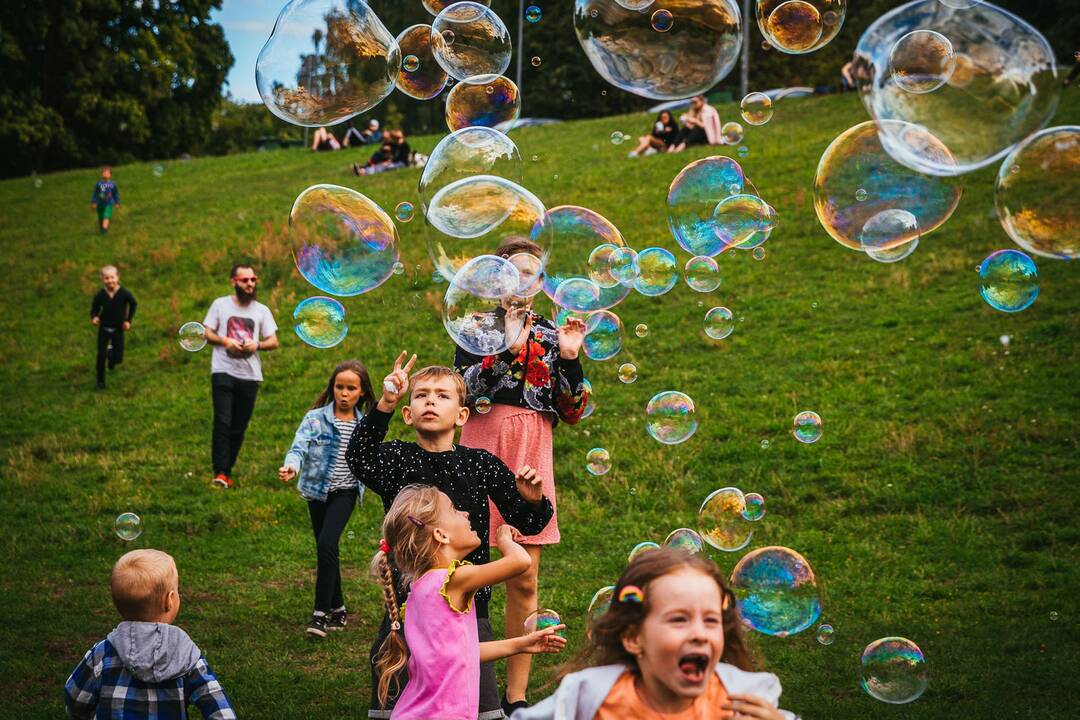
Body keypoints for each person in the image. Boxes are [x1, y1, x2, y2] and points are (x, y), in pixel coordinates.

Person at [345, 354, 556, 720]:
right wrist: (385, 404)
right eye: (422, 394)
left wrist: (532, 498)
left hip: (471, 608)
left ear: (462, 415)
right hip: (408, 606)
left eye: (442, 395)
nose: (430, 401)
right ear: (408, 415)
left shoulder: (480, 463)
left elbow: (527, 521)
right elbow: (359, 458)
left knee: (480, 705)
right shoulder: (396, 457)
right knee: (398, 698)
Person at [453, 238, 588, 714]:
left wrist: (570, 358)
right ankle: (463, 679)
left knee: (524, 579)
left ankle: (515, 698)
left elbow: (573, 411)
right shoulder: (475, 328)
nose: (524, 284)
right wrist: (503, 346)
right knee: (467, 572)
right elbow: (464, 392)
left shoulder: (555, 335)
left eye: (533, 275)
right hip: (480, 444)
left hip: (532, 449)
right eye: (515, 274)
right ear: (498, 278)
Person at [514, 548, 796, 719]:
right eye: (679, 619)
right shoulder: (590, 697)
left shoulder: (743, 702)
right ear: (634, 637)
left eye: (711, 620)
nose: (699, 633)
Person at [371, 485, 568, 718]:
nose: (465, 513)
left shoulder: (418, 589)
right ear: (440, 535)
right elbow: (520, 561)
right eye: (454, 510)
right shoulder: (453, 580)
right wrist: (504, 537)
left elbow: (460, 654)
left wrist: (522, 644)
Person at [64, 549, 236, 719]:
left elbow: (75, 700)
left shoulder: (104, 651)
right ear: (169, 600)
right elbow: (218, 706)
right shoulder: (185, 653)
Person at [280, 360, 376, 638]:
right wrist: (291, 466)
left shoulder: (363, 424)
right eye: (339, 387)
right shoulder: (315, 419)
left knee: (326, 543)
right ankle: (339, 606)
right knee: (326, 549)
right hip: (315, 492)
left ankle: (320, 614)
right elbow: (298, 448)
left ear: (362, 393)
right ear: (332, 388)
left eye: (351, 388)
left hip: (344, 493)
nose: (344, 393)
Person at [202, 263, 279, 489]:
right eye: (245, 280)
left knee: (238, 426)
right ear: (234, 282)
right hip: (223, 371)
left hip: (250, 375)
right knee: (223, 422)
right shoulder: (220, 305)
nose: (250, 284)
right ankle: (220, 472)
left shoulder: (261, 310)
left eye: (253, 280)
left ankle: (228, 470)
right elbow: (205, 332)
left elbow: (273, 341)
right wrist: (225, 340)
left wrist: (257, 345)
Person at [90, 265, 137, 391]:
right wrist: (94, 317)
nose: (110, 280)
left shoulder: (124, 293)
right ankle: (100, 382)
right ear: (102, 279)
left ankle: (112, 355)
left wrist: (128, 320)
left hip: (118, 329)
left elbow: (133, 304)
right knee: (100, 356)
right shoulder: (100, 295)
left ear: (118, 277)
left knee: (118, 358)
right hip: (104, 328)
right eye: (106, 278)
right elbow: (94, 308)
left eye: (112, 277)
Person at [90, 165, 120, 234]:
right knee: (101, 217)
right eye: (104, 172)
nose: (105, 174)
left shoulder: (112, 184)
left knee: (106, 216)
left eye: (107, 173)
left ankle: (104, 229)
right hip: (100, 204)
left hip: (108, 204)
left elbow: (115, 194)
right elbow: (96, 194)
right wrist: (94, 202)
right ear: (101, 174)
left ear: (110, 175)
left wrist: (116, 202)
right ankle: (102, 228)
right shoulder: (99, 184)